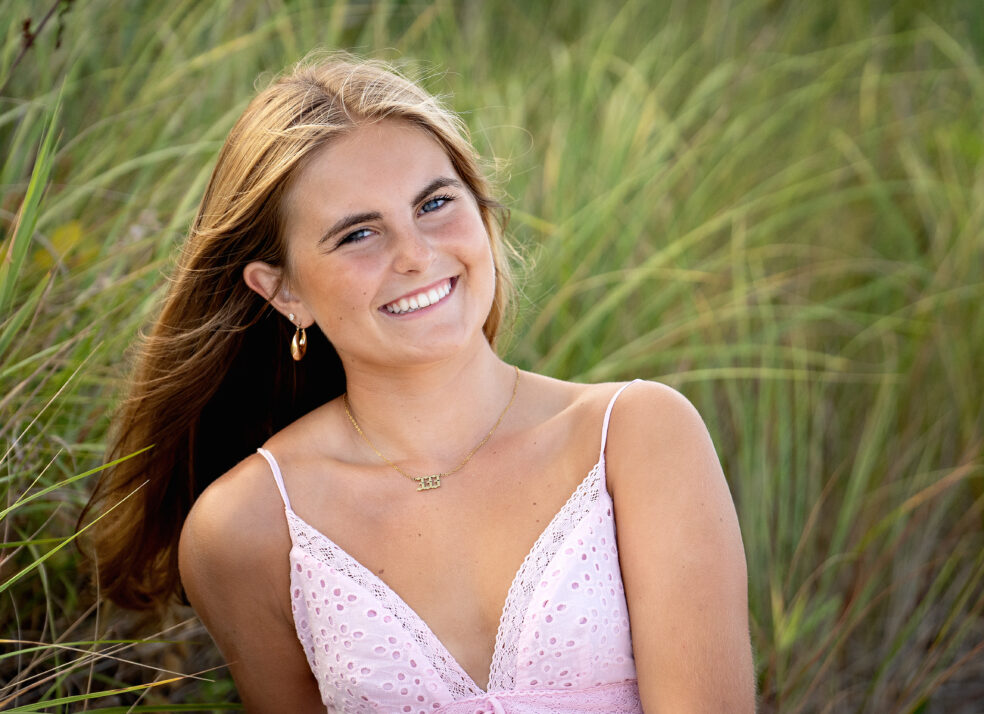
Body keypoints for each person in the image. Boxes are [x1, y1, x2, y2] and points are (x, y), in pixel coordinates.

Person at [85, 53, 754, 713]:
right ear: (283, 290)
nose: (415, 254)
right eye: (357, 235)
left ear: (481, 206)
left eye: (434, 202)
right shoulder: (249, 528)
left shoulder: (635, 438)